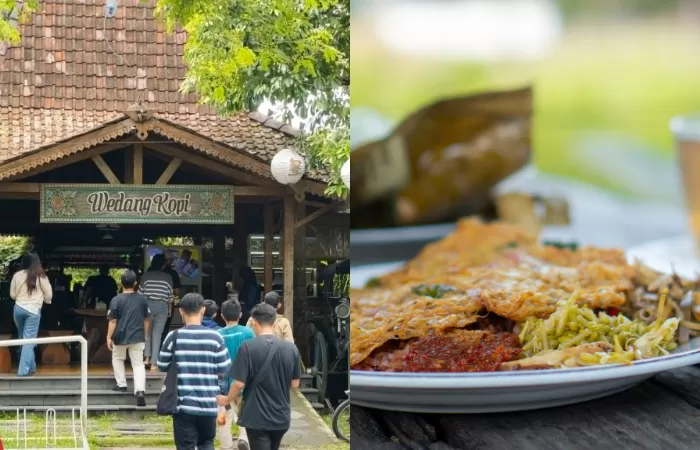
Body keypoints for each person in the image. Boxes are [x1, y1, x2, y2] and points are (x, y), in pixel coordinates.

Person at [218, 304, 301, 450]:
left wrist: (227, 399)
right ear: (274, 322)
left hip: (257, 416)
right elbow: (295, 384)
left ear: (253, 322)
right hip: (281, 415)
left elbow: (238, 384)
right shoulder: (291, 348)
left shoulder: (247, 347)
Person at [158, 293, 232, 450]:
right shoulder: (215, 337)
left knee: (185, 446)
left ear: (181, 311)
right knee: (206, 443)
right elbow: (224, 369)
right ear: (203, 310)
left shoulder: (173, 337)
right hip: (209, 404)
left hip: (183, 405)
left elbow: (162, 365)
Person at [106, 270, 151, 407]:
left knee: (118, 358)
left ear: (121, 283)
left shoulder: (116, 299)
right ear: (136, 284)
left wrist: (108, 337)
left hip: (120, 335)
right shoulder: (142, 299)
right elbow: (147, 319)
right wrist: (145, 334)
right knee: (138, 364)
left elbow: (112, 321)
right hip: (138, 336)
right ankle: (140, 391)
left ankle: (122, 385)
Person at [217, 300, 255, 450]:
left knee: (223, 416)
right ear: (240, 315)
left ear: (222, 316)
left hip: (223, 382)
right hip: (244, 380)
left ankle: (225, 445)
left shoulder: (217, 335)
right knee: (244, 412)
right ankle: (244, 438)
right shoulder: (248, 332)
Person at [10, 252, 52, 377]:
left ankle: (31, 367)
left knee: (24, 339)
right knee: (29, 341)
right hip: (33, 311)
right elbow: (49, 295)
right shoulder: (41, 276)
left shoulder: (17, 275)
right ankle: (22, 371)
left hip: (18, 309)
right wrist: (44, 299)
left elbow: (12, 294)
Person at [140, 254, 174, 371]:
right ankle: (154, 363)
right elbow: (170, 296)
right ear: (163, 264)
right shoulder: (168, 277)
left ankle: (146, 358)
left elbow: (140, 294)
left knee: (147, 333)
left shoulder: (145, 276)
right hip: (162, 306)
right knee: (157, 334)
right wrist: (169, 310)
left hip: (147, 305)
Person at [160, 253, 182, 346]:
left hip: (153, 304)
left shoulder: (152, 272)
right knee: (165, 327)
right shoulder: (173, 273)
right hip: (168, 304)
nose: (172, 261)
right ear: (166, 261)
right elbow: (177, 292)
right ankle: (162, 347)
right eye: (171, 259)